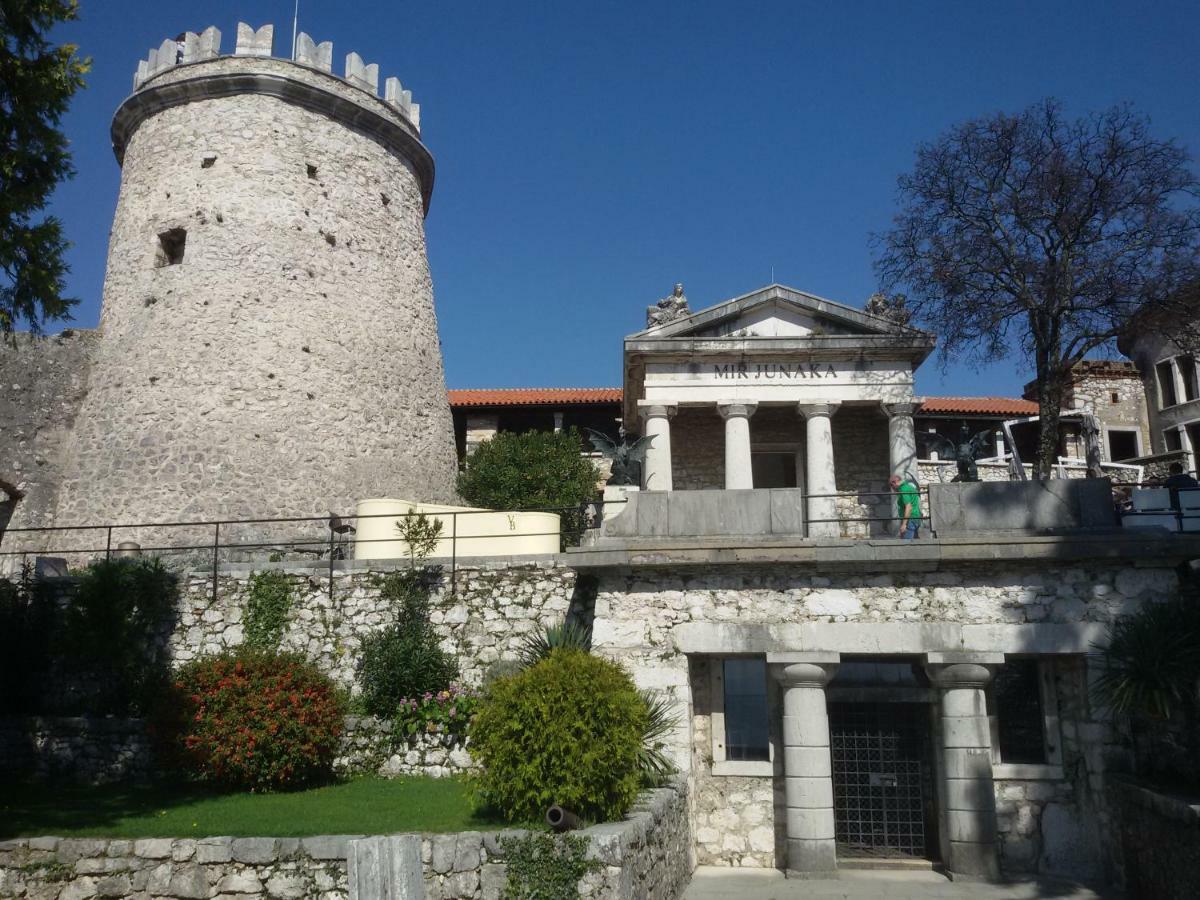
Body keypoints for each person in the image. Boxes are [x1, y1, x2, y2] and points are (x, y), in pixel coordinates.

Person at [889, 474, 922, 539]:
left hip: (910, 519)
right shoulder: (909, 487)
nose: (892, 488)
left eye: (891, 485)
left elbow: (908, 507)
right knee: (915, 544)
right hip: (916, 517)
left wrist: (904, 524)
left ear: (894, 482)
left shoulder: (903, 489)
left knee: (906, 545)